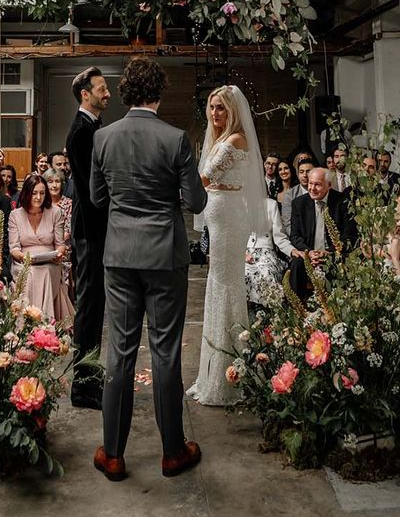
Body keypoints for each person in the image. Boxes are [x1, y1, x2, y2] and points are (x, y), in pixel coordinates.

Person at [90, 57, 207, 481]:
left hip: (120, 256)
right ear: (159, 92)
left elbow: (97, 198)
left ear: (125, 94)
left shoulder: (103, 138)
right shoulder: (176, 139)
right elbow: (195, 203)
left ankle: (113, 454)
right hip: (164, 256)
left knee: (119, 353)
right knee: (165, 352)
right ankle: (173, 452)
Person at [188, 85, 269, 407]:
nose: (215, 113)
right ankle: (217, 370)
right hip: (220, 216)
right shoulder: (221, 139)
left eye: (221, 108)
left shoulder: (235, 140)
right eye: (211, 107)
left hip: (229, 218)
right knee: (218, 285)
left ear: (233, 111)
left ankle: (228, 375)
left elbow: (205, 178)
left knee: (226, 286)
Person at [66, 66, 111, 410]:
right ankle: (83, 386)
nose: (107, 93)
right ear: (86, 94)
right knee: (89, 308)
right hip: (90, 230)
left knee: (95, 309)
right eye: (102, 88)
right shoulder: (82, 132)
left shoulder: (93, 127)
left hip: (97, 229)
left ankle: (91, 378)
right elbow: (92, 190)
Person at [9, 173, 72, 321]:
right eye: (34, 193)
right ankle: (28, 322)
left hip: (51, 263)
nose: (38, 197)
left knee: (45, 272)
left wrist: (58, 254)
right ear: (26, 193)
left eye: (42, 193)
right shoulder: (15, 215)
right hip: (23, 263)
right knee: (30, 273)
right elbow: (14, 248)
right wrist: (24, 257)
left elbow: (60, 245)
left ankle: (46, 321)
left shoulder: (55, 212)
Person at [289, 168, 357, 298]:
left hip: (333, 253)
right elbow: (295, 236)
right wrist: (310, 253)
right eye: (310, 183)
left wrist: (328, 251)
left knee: (339, 266)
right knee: (296, 265)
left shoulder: (343, 202)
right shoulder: (299, 203)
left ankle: (335, 311)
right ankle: (296, 310)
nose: (312, 188)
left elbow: (349, 236)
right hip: (308, 253)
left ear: (329, 185)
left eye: (317, 184)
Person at [245, 197, 300, 308]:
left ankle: (268, 318)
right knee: (243, 274)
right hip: (243, 252)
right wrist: (241, 254)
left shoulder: (271, 204)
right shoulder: (236, 204)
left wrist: (292, 250)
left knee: (267, 273)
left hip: (267, 253)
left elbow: (279, 237)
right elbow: (232, 236)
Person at [44, 167, 74, 301]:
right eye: (50, 181)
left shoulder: (68, 204)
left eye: (57, 181)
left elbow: (67, 232)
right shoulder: (41, 204)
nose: (54, 185)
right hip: (43, 249)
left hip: (62, 252)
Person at [282, 157, 314, 233]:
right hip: (298, 239)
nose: (305, 175)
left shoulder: (321, 191)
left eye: (308, 171)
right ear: (297, 174)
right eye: (301, 172)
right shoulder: (290, 195)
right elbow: (288, 224)